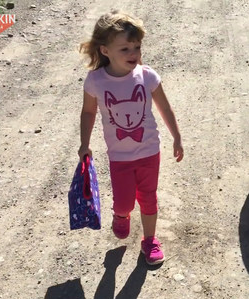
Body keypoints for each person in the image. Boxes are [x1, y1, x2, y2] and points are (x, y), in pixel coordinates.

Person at [77, 10, 183, 265]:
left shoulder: (147, 76)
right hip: (119, 157)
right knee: (124, 202)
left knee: (148, 197)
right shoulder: (95, 81)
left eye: (136, 47)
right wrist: (84, 143)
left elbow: (165, 108)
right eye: (124, 48)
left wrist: (176, 137)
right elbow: (88, 111)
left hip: (149, 152)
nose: (133, 53)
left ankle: (150, 240)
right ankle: (121, 215)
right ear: (105, 51)